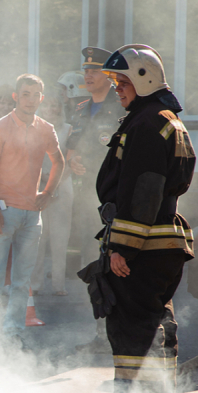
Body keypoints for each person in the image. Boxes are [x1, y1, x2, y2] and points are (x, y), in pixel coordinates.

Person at [88, 45, 195, 393]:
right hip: (163, 244)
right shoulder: (165, 120)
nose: (117, 88)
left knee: (132, 333)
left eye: (123, 81)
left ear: (144, 79)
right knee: (155, 329)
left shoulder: (148, 125)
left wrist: (123, 248)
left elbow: (143, 191)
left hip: (144, 247)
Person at [0, 74, 64, 344]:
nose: (30, 100)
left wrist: (48, 193)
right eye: (25, 94)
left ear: (42, 98)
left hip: (31, 215)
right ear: (16, 96)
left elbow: (59, 162)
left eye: (35, 94)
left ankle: (14, 333)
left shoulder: (46, 128)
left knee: (21, 281)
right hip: (4, 211)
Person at [67, 47, 127, 353]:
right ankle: (102, 335)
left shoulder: (121, 108)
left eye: (94, 71)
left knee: (120, 266)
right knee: (97, 268)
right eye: (85, 70)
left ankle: (128, 335)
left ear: (108, 75)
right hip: (87, 202)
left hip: (115, 201)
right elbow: (71, 147)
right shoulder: (80, 110)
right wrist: (73, 158)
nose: (87, 75)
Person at [30, 92, 75, 297]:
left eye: (56, 105)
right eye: (47, 105)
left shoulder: (68, 130)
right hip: (37, 186)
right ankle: (36, 284)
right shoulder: (34, 129)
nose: (52, 109)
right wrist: (42, 182)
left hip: (63, 187)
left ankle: (59, 284)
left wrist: (54, 184)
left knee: (60, 237)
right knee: (38, 236)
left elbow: (69, 161)